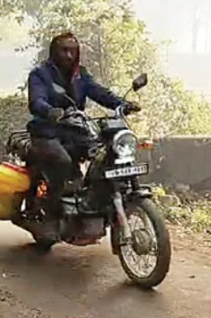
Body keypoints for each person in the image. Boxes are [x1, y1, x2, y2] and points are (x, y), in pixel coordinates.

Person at [26, 31, 140, 241]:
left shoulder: (81, 75)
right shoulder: (40, 75)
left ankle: (93, 199)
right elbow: (36, 101)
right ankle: (51, 213)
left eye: (73, 51)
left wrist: (122, 104)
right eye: (64, 51)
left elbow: (100, 93)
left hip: (74, 131)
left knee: (105, 153)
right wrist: (50, 111)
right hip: (47, 132)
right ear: (53, 52)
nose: (69, 55)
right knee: (62, 161)